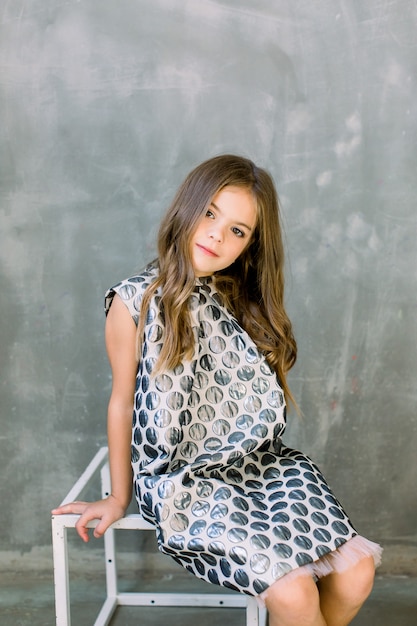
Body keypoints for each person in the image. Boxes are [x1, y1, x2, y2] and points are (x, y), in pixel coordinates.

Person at [52, 155, 382, 626]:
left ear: (249, 246)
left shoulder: (239, 300)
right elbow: (122, 403)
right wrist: (118, 496)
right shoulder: (134, 304)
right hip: (186, 483)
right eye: (210, 214)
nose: (216, 236)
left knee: (357, 572)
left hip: (262, 467)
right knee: (293, 596)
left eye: (238, 231)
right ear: (187, 208)